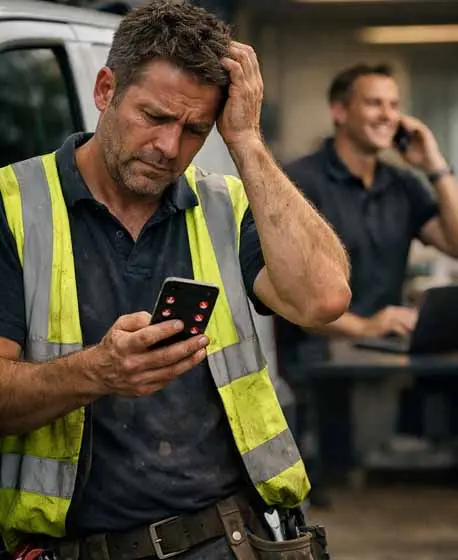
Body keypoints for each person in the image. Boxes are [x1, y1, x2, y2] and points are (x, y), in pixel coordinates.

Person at [0, 2, 351, 559]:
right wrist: (98, 372)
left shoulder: (226, 204)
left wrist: (247, 143)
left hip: (233, 539)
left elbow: (324, 299)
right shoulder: (13, 206)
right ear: (105, 88)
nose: (169, 148)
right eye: (154, 117)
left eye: (194, 129)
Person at [276, 63, 458, 502]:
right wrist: (364, 325)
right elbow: (292, 293)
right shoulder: (299, 180)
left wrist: (435, 167)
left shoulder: (403, 184)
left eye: (394, 105)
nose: (388, 115)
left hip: (383, 361)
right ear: (340, 111)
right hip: (317, 367)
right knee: (340, 493)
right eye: (374, 103)